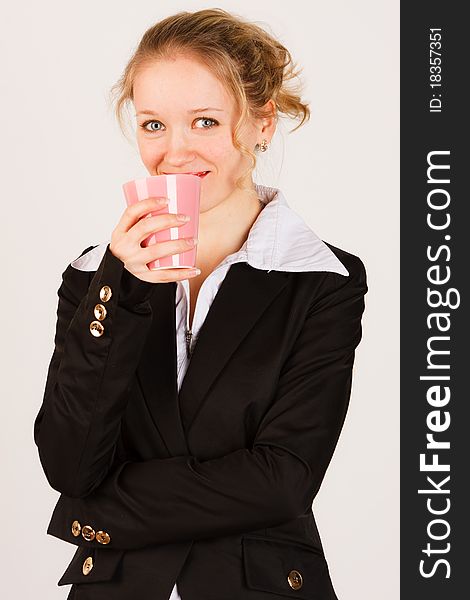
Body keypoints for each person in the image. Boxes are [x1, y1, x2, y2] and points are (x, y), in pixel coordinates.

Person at [34, 8, 368, 600]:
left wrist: (94, 514)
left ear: (261, 123)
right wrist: (122, 281)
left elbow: (282, 482)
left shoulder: (321, 279)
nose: (175, 152)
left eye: (206, 121)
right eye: (154, 125)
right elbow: (69, 464)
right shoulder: (95, 278)